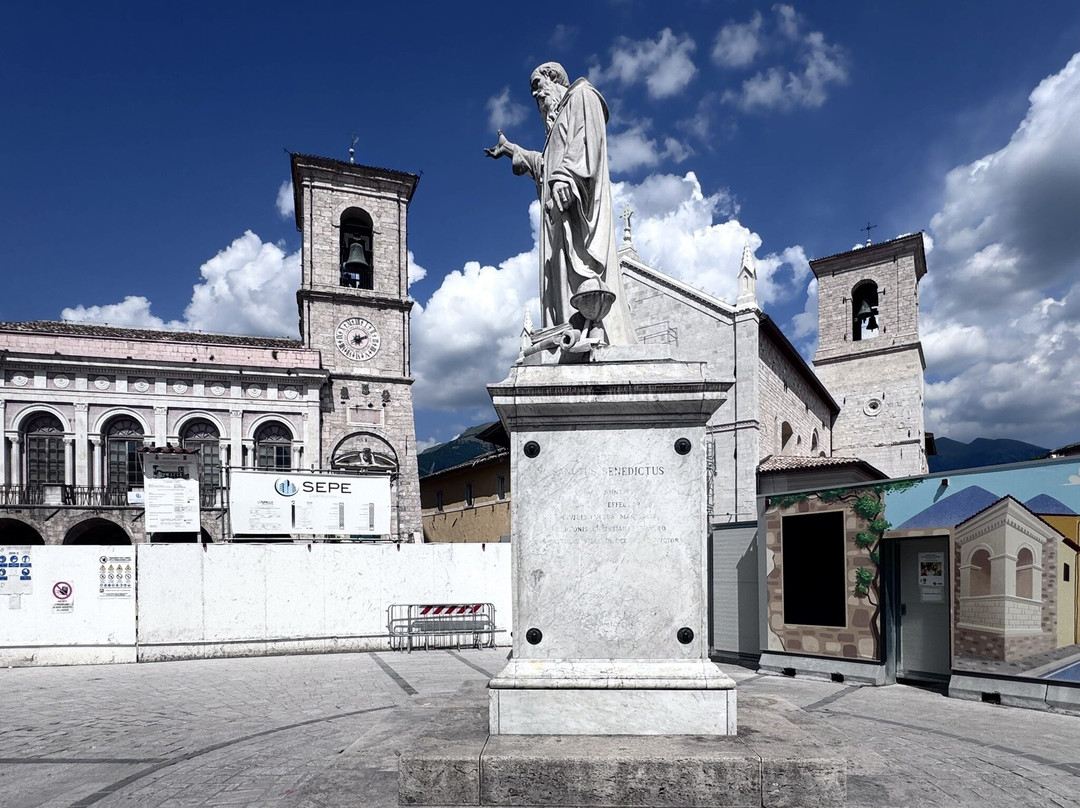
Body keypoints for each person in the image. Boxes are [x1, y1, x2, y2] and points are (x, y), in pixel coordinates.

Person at [486, 62, 636, 346]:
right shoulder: (555, 128)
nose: (535, 95)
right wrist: (510, 149)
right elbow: (544, 165)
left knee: (582, 280)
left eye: (537, 85)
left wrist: (566, 175)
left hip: (575, 208)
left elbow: (586, 139)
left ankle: (589, 329)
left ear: (553, 78)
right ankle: (569, 330)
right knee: (560, 283)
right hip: (558, 218)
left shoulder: (582, 95)